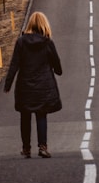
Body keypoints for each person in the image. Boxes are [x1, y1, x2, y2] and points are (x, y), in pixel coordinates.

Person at [4, 11, 62, 158]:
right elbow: (57, 65)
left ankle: (26, 148)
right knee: (41, 114)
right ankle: (42, 147)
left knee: (25, 116)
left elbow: (14, 65)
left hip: (25, 86)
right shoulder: (47, 43)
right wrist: (56, 70)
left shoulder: (21, 42)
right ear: (44, 25)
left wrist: (8, 84)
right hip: (43, 86)